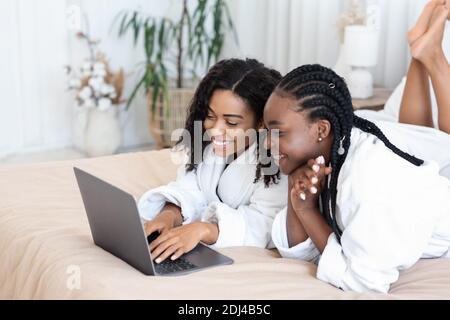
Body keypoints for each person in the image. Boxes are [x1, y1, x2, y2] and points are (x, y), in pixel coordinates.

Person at [265, 64, 450, 293]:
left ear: (321, 130)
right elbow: (300, 251)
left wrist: (308, 212)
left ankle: (426, 58)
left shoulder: (369, 181)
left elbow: (363, 282)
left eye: (278, 133)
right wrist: (302, 205)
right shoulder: (324, 156)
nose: (266, 143)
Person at [138, 58, 287, 264]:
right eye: (210, 116)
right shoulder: (208, 147)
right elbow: (191, 185)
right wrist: (169, 214)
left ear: (261, 122)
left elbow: (265, 224)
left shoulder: (276, 164)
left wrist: (204, 230)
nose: (215, 130)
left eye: (231, 122)